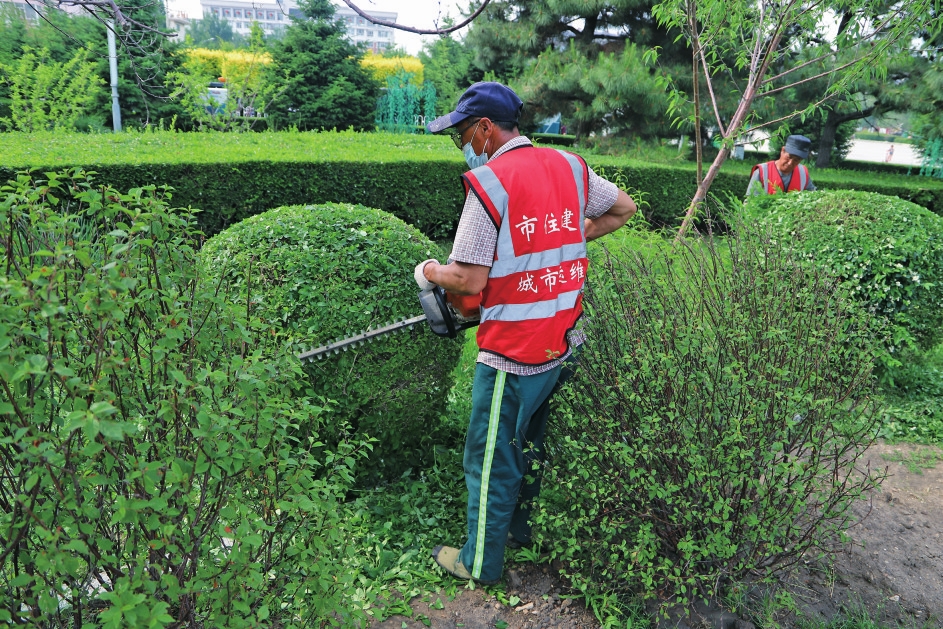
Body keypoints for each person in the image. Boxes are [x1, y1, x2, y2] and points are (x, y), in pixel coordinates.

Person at [414, 82, 638, 585]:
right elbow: (623, 209)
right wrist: (574, 234)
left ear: (487, 129)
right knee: (530, 443)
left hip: (511, 354)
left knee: (490, 456)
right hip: (561, 342)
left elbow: (468, 279)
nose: (464, 145)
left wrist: (428, 270)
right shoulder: (570, 166)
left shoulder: (490, 184)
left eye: (463, 134)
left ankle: (479, 563)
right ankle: (518, 530)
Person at [746, 134, 816, 196]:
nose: (790, 163)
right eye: (789, 157)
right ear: (782, 150)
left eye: (796, 160)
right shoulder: (762, 171)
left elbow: (813, 197)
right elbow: (749, 203)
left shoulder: (803, 173)